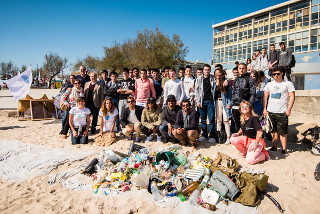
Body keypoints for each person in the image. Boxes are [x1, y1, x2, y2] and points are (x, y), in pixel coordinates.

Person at [263, 69, 295, 154]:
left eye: (277, 74)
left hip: (282, 111)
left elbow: (292, 96)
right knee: (273, 131)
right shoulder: (269, 84)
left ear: (282, 73)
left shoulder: (287, 83)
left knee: (283, 132)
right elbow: (265, 96)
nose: (275, 75)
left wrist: (289, 109)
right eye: (273, 74)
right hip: (271, 111)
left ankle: (284, 149)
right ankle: (274, 146)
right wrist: (264, 109)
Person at [194, 64, 216, 143]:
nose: (207, 71)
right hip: (202, 101)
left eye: (208, 70)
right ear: (203, 71)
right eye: (205, 70)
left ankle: (212, 136)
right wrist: (198, 101)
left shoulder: (213, 78)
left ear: (210, 70)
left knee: (211, 119)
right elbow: (196, 91)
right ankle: (204, 135)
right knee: (203, 119)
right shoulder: (199, 79)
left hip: (210, 101)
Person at [231, 63, 256, 133]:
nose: (241, 70)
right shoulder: (236, 80)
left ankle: (247, 138)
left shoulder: (250, 79)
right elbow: (234, 92)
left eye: (243, 68)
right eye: (240, 68)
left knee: (247, 124)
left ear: (246, 69)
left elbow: (253, 93)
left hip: (246, 105)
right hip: (236, 105)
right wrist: (232, 103)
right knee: (237, 123)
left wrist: (249, 104)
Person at [213, 69, 232, 144]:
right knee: (218, 121)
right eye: (216, 73)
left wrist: (229, 103)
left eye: (219, 73)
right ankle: (219, 136)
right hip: (217, 102)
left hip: (224, 102)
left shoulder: (225, 82)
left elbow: (230, 93)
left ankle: (228, 137)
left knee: (226, 120)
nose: (218, 74)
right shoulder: (214, 82)